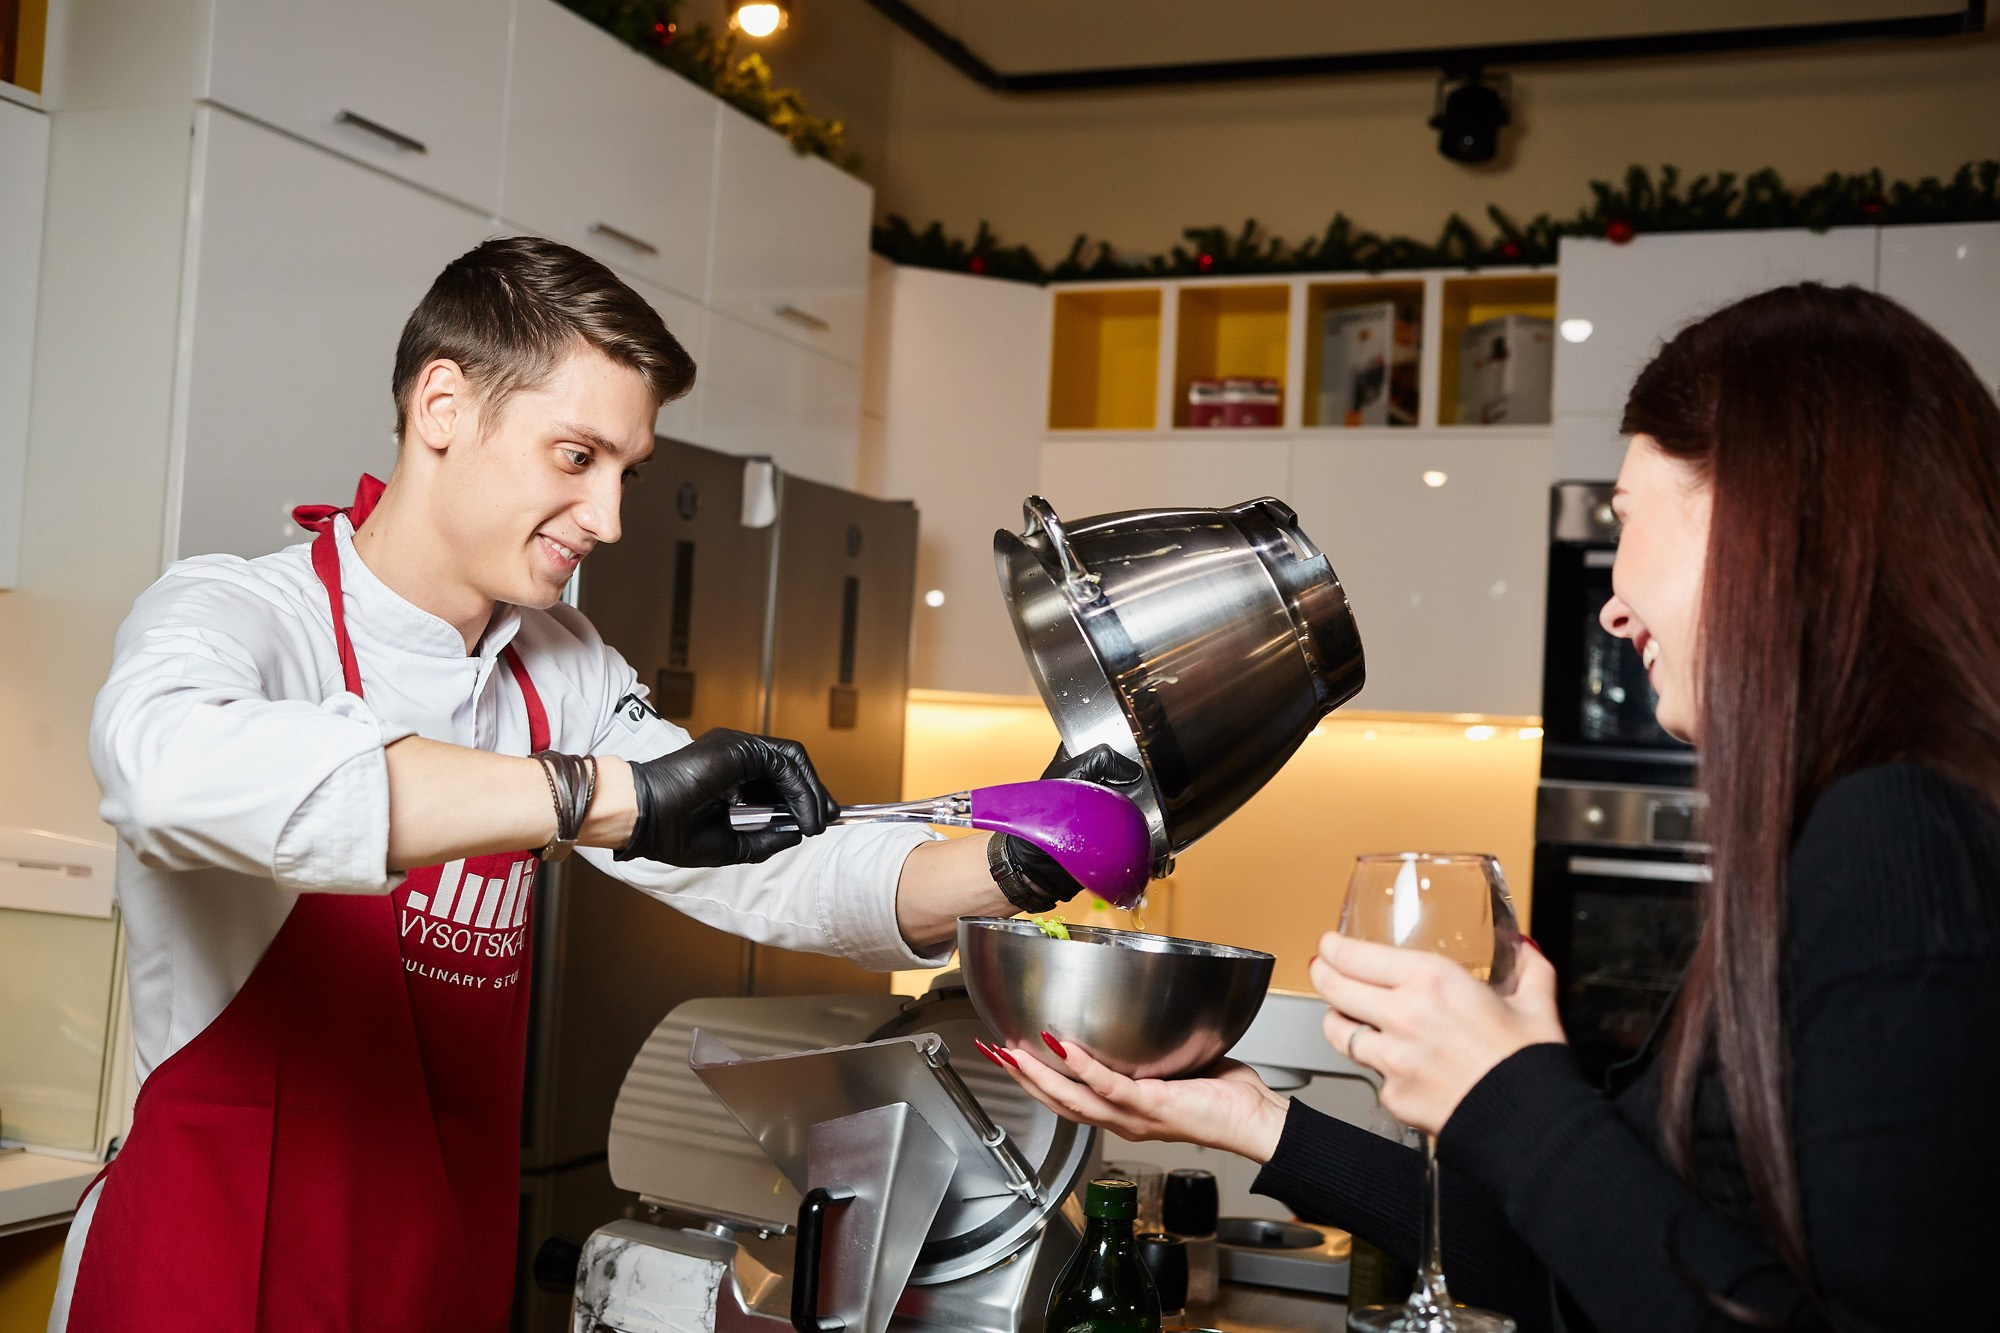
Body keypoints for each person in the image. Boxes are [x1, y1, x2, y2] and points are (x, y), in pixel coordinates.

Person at [52, 236, 1136, 1332]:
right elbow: (162, 770)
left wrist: (1006, 865)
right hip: (206, 1269)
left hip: (432, 1266)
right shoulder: (235, 613)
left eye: (627, 472)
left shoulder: (560, 665)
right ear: (442, 405)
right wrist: (589, 796)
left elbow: (764, 868)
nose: (611, 518)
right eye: (576, 457)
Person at [985, 283, 2000, 1332]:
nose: (1609, 600)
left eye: (1624, 516)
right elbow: (1595, 1266)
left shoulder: (1903, 845)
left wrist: (1510, 1091)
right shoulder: (1853, 835)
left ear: (1764, 515)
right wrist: (1250, 1121)